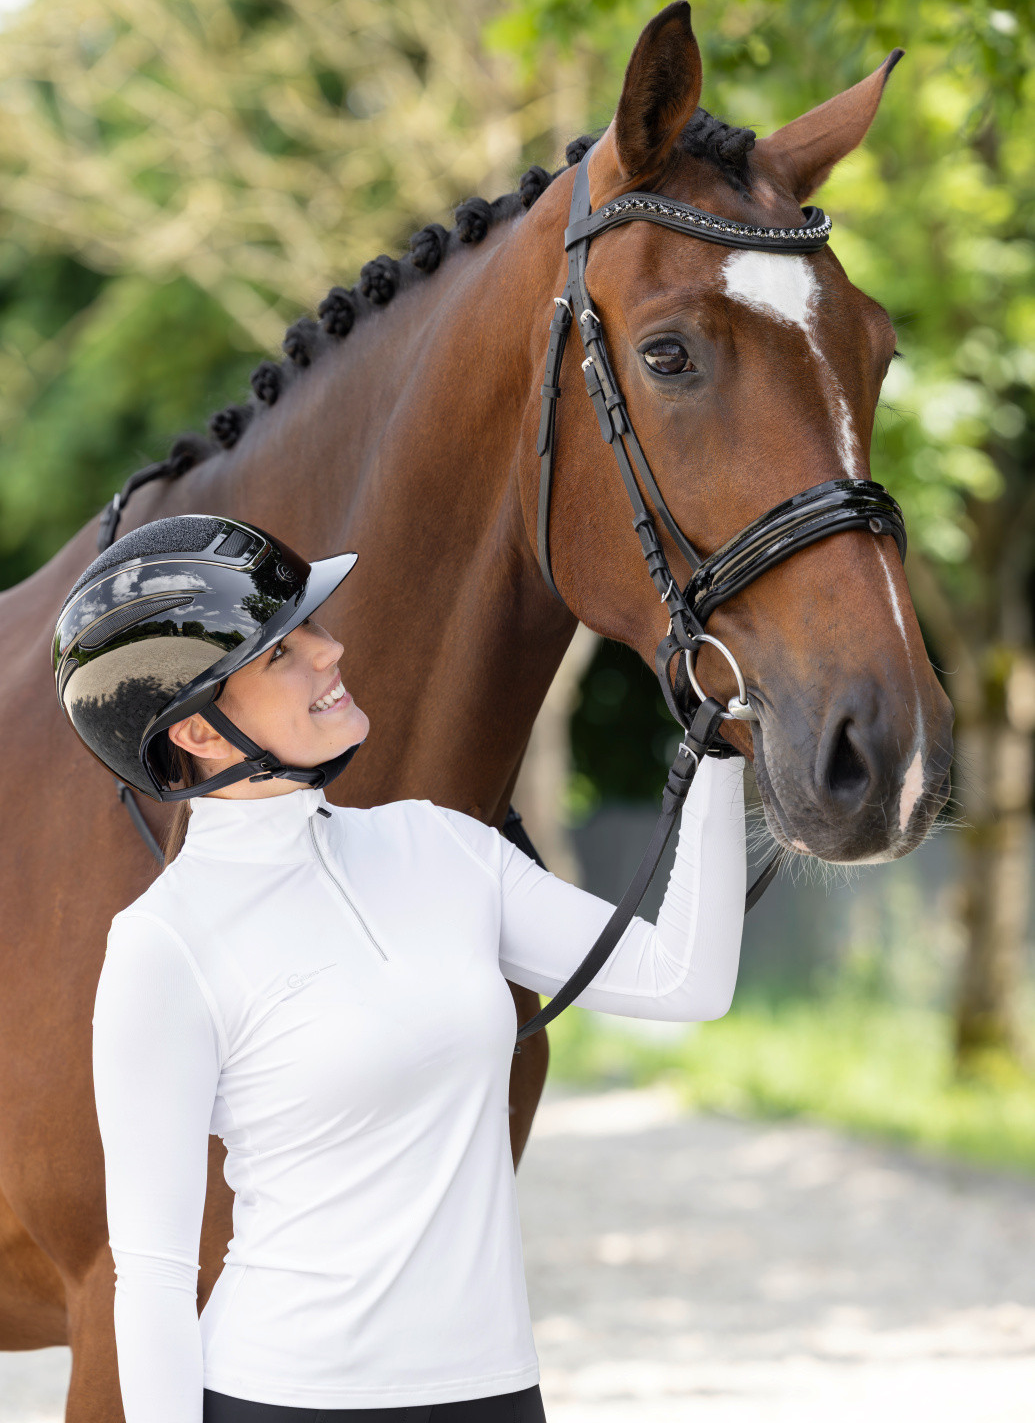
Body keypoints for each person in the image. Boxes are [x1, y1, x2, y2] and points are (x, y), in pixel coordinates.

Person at [53, 513, 749, 1423]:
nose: (331, 650)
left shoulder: (441, 846)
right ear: (201, 736)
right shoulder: (163, 944)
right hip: (281, 1397)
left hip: (493, 1391)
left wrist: (717, 744)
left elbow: (679, 978)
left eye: (312, 626)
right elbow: (149, 1271)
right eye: (281, 653)